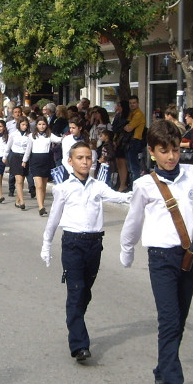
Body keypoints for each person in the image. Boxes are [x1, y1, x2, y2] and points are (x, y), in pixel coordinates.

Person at [120, 119, 193, 384]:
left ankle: (161, 371)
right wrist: (127, 248)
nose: (171, 156)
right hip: (160, 258)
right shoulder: (145, 184)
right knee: (169, 321)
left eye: (175, 149)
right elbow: (133, 221)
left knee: (179, 320)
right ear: (152, 152)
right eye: (163, 151)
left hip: (189, 257)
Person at [41, 141, 130, 362]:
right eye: (80, 158)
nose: (85, 162)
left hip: (94, 244)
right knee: (76, 291)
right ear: (70, 161)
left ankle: (75, 319)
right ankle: (79, 344)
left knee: (85, 292)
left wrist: (141, 196)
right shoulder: (63, 187)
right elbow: (54, 219)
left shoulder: (97, 186)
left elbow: (119, 197)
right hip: (72, 243)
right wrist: (46, 243)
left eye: (88, 158)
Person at [23, 117, 59, 216]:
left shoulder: (49, 135)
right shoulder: (32, 136)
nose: (41, 126)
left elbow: (59, 140)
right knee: (38, 185)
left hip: (46, 161)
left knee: (43, 186)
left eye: (43, 124)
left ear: (46, 125)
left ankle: (41, 204)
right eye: (39, 124)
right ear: (36, 125)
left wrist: (68, 136)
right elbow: (28, 149)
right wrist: (24, 160)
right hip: (35, 160)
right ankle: (41, 207)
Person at [8, 117, 31, 209]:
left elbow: (29, 149)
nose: (24, 127)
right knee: (19, 180)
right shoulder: (13, 134)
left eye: (26, 125)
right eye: (22, 125)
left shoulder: (29, 135)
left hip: (25, 157)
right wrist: (5, 156)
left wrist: (25, 160)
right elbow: (8, 146)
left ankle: (17, 200)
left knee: (22, 180)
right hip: (15, 157)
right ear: (19, 125)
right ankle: (22, 201)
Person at [123, 95, 146, 186]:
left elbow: (128, 128)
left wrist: (124, 126)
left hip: (135, 141)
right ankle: (132, 186)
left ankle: (135, 187)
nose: (132, 105)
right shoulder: (131, 114)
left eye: (134, 103)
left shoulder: (138, 114)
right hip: (130, 142)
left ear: (138, 103)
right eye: (130, 103)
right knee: (130, 166)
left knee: (134, 167)